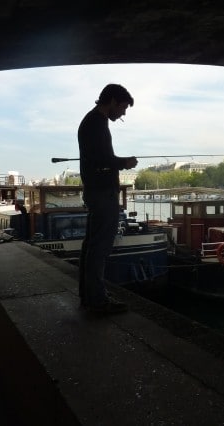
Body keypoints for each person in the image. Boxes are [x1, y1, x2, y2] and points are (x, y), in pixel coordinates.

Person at [78, 84, 138, 313]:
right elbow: (103, 159)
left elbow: (98, 158)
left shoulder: (92, 121)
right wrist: (124, 163)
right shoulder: (96, 123)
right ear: (112, 101)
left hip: (96, 190)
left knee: (91, 245)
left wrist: (118, 161)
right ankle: (97, 300)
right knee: (100, 247)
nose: (122, 114)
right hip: (103, 192)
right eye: (122, 108)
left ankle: (90, 295)